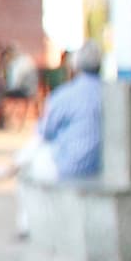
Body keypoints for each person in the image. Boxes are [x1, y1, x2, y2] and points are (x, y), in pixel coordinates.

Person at [20, 41, 105, 187]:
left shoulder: (65, 95)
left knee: (32, 161)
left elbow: (44, 132)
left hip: (70, 168)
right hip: (103, 166)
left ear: (74, 67)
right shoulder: (112, 93)